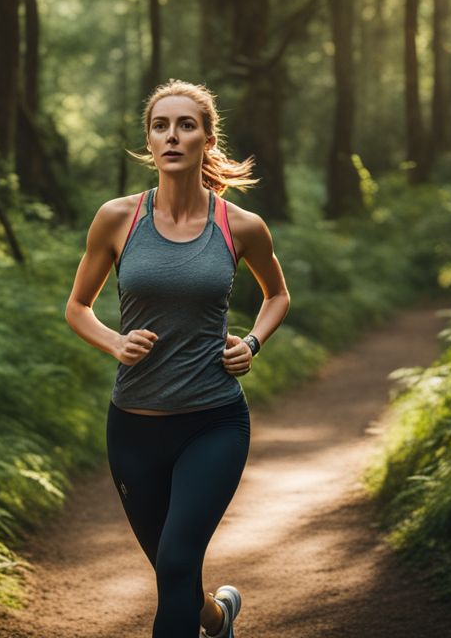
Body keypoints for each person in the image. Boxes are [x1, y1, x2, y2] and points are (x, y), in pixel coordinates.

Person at [65, 79, 291, 637]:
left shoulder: (239, 226)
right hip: (133, 429)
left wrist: (252, 343)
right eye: (160, 125)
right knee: (177, 574)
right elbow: (76, 307)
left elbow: (278, 294)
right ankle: (217, 619)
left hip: (213, 423)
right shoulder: (117, 219)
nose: (172, 135)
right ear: (149, 139)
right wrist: (114, 342)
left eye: (185, 125)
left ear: (207, 139)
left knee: (173, 564)